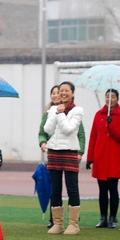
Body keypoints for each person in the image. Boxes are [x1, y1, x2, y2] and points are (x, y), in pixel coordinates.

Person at [39, 85, 86, 228]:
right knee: (55, 189)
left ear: (72, 93)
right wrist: (55, 112)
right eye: (61, 91)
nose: (63, 93)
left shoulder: (77, 110)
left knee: (72, 188)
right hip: (54, 151)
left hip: (70, 152)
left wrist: (60, 113)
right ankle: (57, 223)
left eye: (66, 91)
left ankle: (73, 224)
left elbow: (69, 129)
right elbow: (47, 129)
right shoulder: (54, 109)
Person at [86, 89, 120, 229]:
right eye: (107, 96)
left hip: (114, 157)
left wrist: (111, 124)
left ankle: (113, 218)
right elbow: (93, 136)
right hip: (100, 156)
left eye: (113, 96)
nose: (110, 99)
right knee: (102, 189)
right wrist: (90, 157)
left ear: (117, 99)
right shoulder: (98, 114)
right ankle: (103, 217)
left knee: (113, 188)